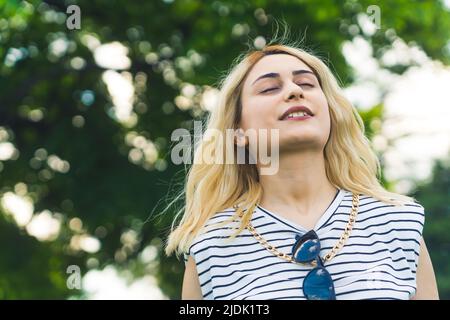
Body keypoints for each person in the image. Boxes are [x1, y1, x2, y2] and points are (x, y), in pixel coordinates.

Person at [164, 42, 439, 300]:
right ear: (238, 132)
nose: (295, 91)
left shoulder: (399, 222)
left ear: (330, 112)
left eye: (306, 83)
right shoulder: (211, 248)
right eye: (269, 88)